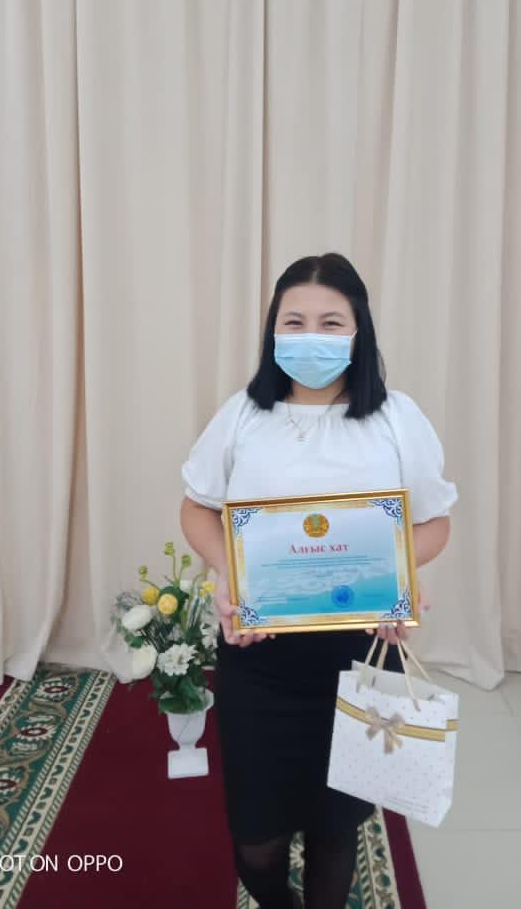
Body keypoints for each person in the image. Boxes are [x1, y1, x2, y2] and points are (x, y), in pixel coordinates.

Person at [180, 253, 457, 909]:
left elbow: (434, 523)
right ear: (273, 331)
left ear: (359, 331)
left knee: (336, 829)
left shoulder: (397, 419)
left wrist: (400, 575)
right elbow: (196, 508)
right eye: (295, 321)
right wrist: (226, 571)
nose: (312, 336)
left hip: (358, 654)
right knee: (256, 838)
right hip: (257, 657)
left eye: (331, 323)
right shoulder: (243, 415)